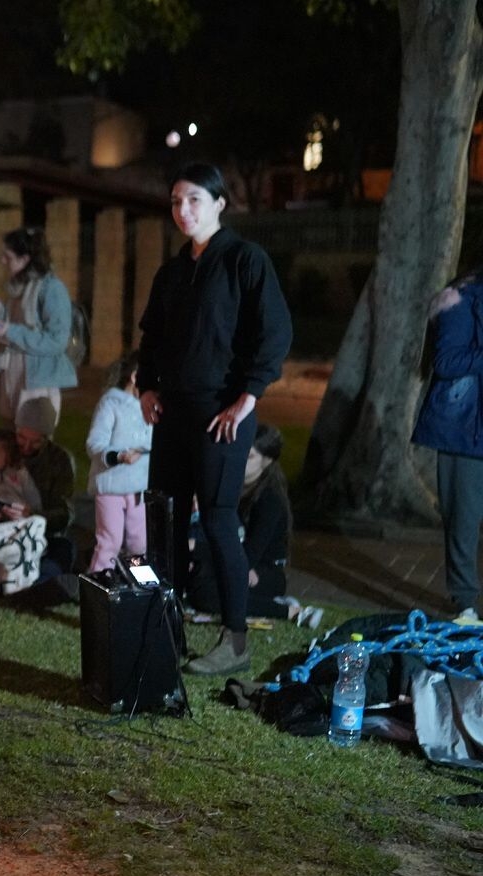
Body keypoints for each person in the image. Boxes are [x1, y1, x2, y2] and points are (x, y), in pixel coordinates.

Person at [138, 162, 292, 675]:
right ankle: (165, 625)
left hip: (222, 413)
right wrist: (147, 387)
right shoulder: (173, 270)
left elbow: (274, 333)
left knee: (221, 521)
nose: (184, 210)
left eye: (195, 200)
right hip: (173, 414)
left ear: (220, 203)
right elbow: (152, 339)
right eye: (177, 201)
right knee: (165, 520)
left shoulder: (245, 260)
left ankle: (236, 641)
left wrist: (247, 397)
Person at [185, 425, 320, 628]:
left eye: (249, 457)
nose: (240, 461)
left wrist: (197, 549)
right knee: (193, 579)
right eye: (239, 453)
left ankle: (288, 610)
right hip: (231, 560)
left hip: (262, 571)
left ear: (267, 461)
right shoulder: (230, 486)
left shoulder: (269, 500)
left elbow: (247, 557)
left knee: (206, 595)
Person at [414, 270, 483, 626]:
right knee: (464, 521)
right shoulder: (460, 302)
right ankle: (465, 604)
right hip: (464, 431)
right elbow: (445, 363)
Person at [0, 226, 77, 424]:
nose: (3, 261)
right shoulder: (19, 287)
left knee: (32, 439)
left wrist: (10, 330)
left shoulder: (52, 289)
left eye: (8, 257)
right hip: (12, 371)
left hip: (36, 379)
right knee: (9, 439)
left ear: (25, 259)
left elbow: (57, 340)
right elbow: (15, 325)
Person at [85, 355, 152, 573]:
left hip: (138, 489)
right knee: (110, 541)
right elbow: (95, 442)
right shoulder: (111, 404)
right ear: (134, 377)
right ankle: (98, 586)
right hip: (111, 487)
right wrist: (119, 456)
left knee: (138, 543)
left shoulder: (150, 407)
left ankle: (140, 585)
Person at [14, 398, 76, 571]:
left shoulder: (59, 460)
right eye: (21, 437)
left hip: (43, 534)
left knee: (63, 552)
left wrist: (34, 516)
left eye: (35, 441)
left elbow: (64, 513)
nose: (26, 446)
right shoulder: (1, 447)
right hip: (2, 530)